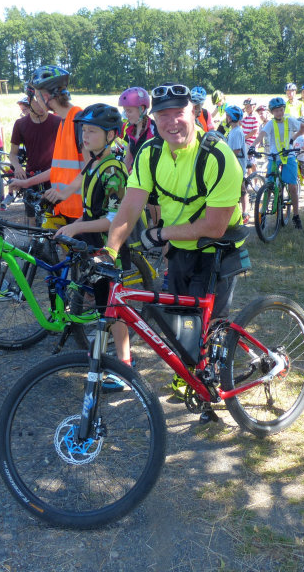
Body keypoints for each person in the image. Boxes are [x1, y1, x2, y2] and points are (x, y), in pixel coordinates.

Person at [102, 83, 245, 399]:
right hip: (180, 246)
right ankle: (192, 374)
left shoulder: (217, 155)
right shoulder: (150, 153)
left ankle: (213, 383)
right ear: (153, 119)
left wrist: (161, 234)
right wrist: (109, 250)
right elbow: (129, 207)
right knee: (181, 321)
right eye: (162, 115)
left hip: (218, 247)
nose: (171, 122)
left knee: (209, 326)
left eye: (178, 112)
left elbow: (215, 226)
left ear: (194, 112)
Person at [45, 103, 132, 380]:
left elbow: (114, 219)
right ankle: (101, 356)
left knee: (114, 311)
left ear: (111, 135)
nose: (85, 136)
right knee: (102, 306)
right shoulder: (94, 163)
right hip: (93, 246)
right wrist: (65, 208)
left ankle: (124, 367)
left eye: (93, 131)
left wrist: (77, 226)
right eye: (84, 130)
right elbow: (85, 197)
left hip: (110, 249)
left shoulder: (113, 171)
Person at [8, 66, 84, 232]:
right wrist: (26, 182)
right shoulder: (64, 122)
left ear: (46, 96)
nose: (37, 101)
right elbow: (58, 169)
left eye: (37, 96)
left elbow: (93, 167)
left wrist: (65, 192)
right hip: (66, 208)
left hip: (81, 213)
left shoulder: (78, 121)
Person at [7, 87, 62, 225]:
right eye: (37, 100)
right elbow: (12, 154)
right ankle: (33, 238)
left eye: (45, 100)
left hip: (53, 177)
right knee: (31, 219)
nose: (42, 105)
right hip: (31, 177)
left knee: (55, 219)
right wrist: (17, 167)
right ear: (29, 100)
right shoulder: (20, 124)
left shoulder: (58, 121)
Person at [251, 96, 304, 229]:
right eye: (276, 111)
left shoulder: (290, 120)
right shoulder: (270, 123)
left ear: (284, 109)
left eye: (281, 110)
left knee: (292, 187)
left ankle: (296, 215)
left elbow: (303, 127)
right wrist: (253, 146)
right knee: (269, 187)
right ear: (272, 112)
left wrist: (294, 138)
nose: (279, 113)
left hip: (289, 156)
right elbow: (261, 135)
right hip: (274, 157)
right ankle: (263, 214)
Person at [118, 87, 156, 172]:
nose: (126, 115)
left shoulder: (155, 130)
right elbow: (128, 160)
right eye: (125, 111)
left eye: (129, 111)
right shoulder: (130, 130)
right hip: (135, 176)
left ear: (142, 109)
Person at [225, 105, 249, 225]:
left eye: (227, 116)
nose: (226, 118)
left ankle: (245, 213)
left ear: (230, 118)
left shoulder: (237, 132)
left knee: (241, 189)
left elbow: (236, 150)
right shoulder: (233, 131)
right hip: (234, 165)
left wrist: (225, 158)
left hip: (238, 166)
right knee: (238, 189)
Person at [240, 98, 260, 177]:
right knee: (247, 163)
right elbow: (239, 123)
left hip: (252, 143)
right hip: (246, 143)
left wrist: (245, 137)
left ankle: (256, 179)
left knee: (252, 163)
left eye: (248, 106)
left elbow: (255, 130)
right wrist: (241, 112)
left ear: (253, 106)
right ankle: (249, 179)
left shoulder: (255, 117)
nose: (247, 108)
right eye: (245, 107)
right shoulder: (246, 117)